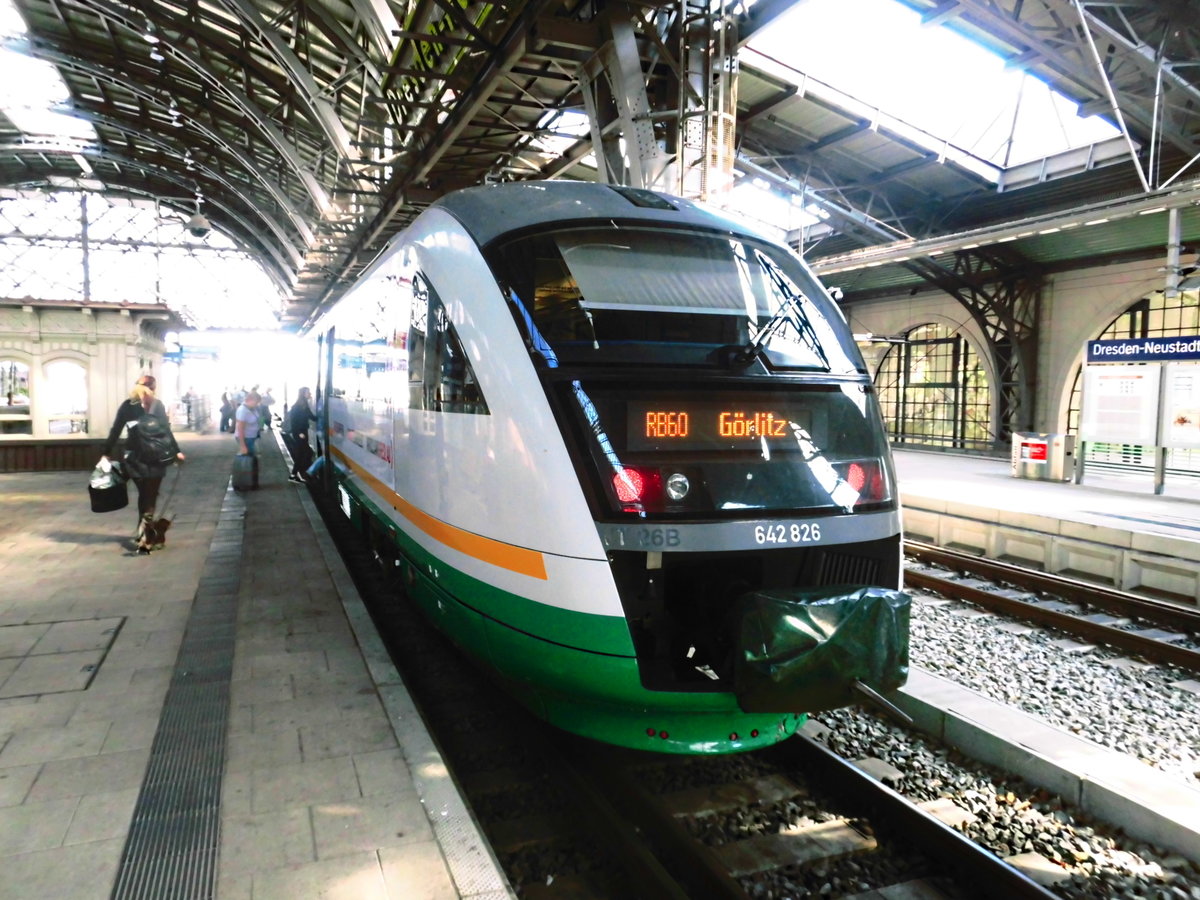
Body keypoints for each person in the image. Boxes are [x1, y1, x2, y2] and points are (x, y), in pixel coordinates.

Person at [102, 374, 185, 553]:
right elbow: (166, 431)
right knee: (151, 496)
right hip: (156, 458)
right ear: (153, 388)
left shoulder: (126, 406)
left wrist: (106, 452)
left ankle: (144, 533)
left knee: (143, 495)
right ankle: (147, 534)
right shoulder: (157, 405)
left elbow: (115, 430)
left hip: (134, 457)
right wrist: (177, 452)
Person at [282, 386, 317, 483]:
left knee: (305, 453)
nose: (309, 394)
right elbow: (294, 422)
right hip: (299, 434)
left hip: (303, 432)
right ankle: (296, 474)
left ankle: (297, 474)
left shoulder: (304, 405)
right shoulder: (297, 407)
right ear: (303, 394)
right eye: (308, 392)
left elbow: (313, 417)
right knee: (303, 454)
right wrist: (299, 433)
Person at [234, 390, 262, 489]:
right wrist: (242, 445)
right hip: (246, 439)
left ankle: (249, 482)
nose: (257, 404)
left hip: (251, 437)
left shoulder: (252, 409)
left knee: (251, 460)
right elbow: (240, 429)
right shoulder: (243, 410)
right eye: (256, 402)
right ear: (250, 400)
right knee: (247, 461)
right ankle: (245, 483)